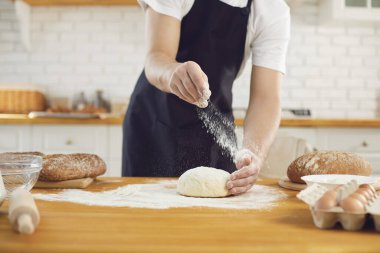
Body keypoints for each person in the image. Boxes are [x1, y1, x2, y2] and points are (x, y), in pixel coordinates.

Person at [122, 0, 290, 195]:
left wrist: (254, 154)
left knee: (215, 220)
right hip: (154, 126)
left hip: (214, 131)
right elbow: (156, 57)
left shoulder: (271, 10)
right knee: (145, 216)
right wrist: (172, 73)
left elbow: (266, 97)